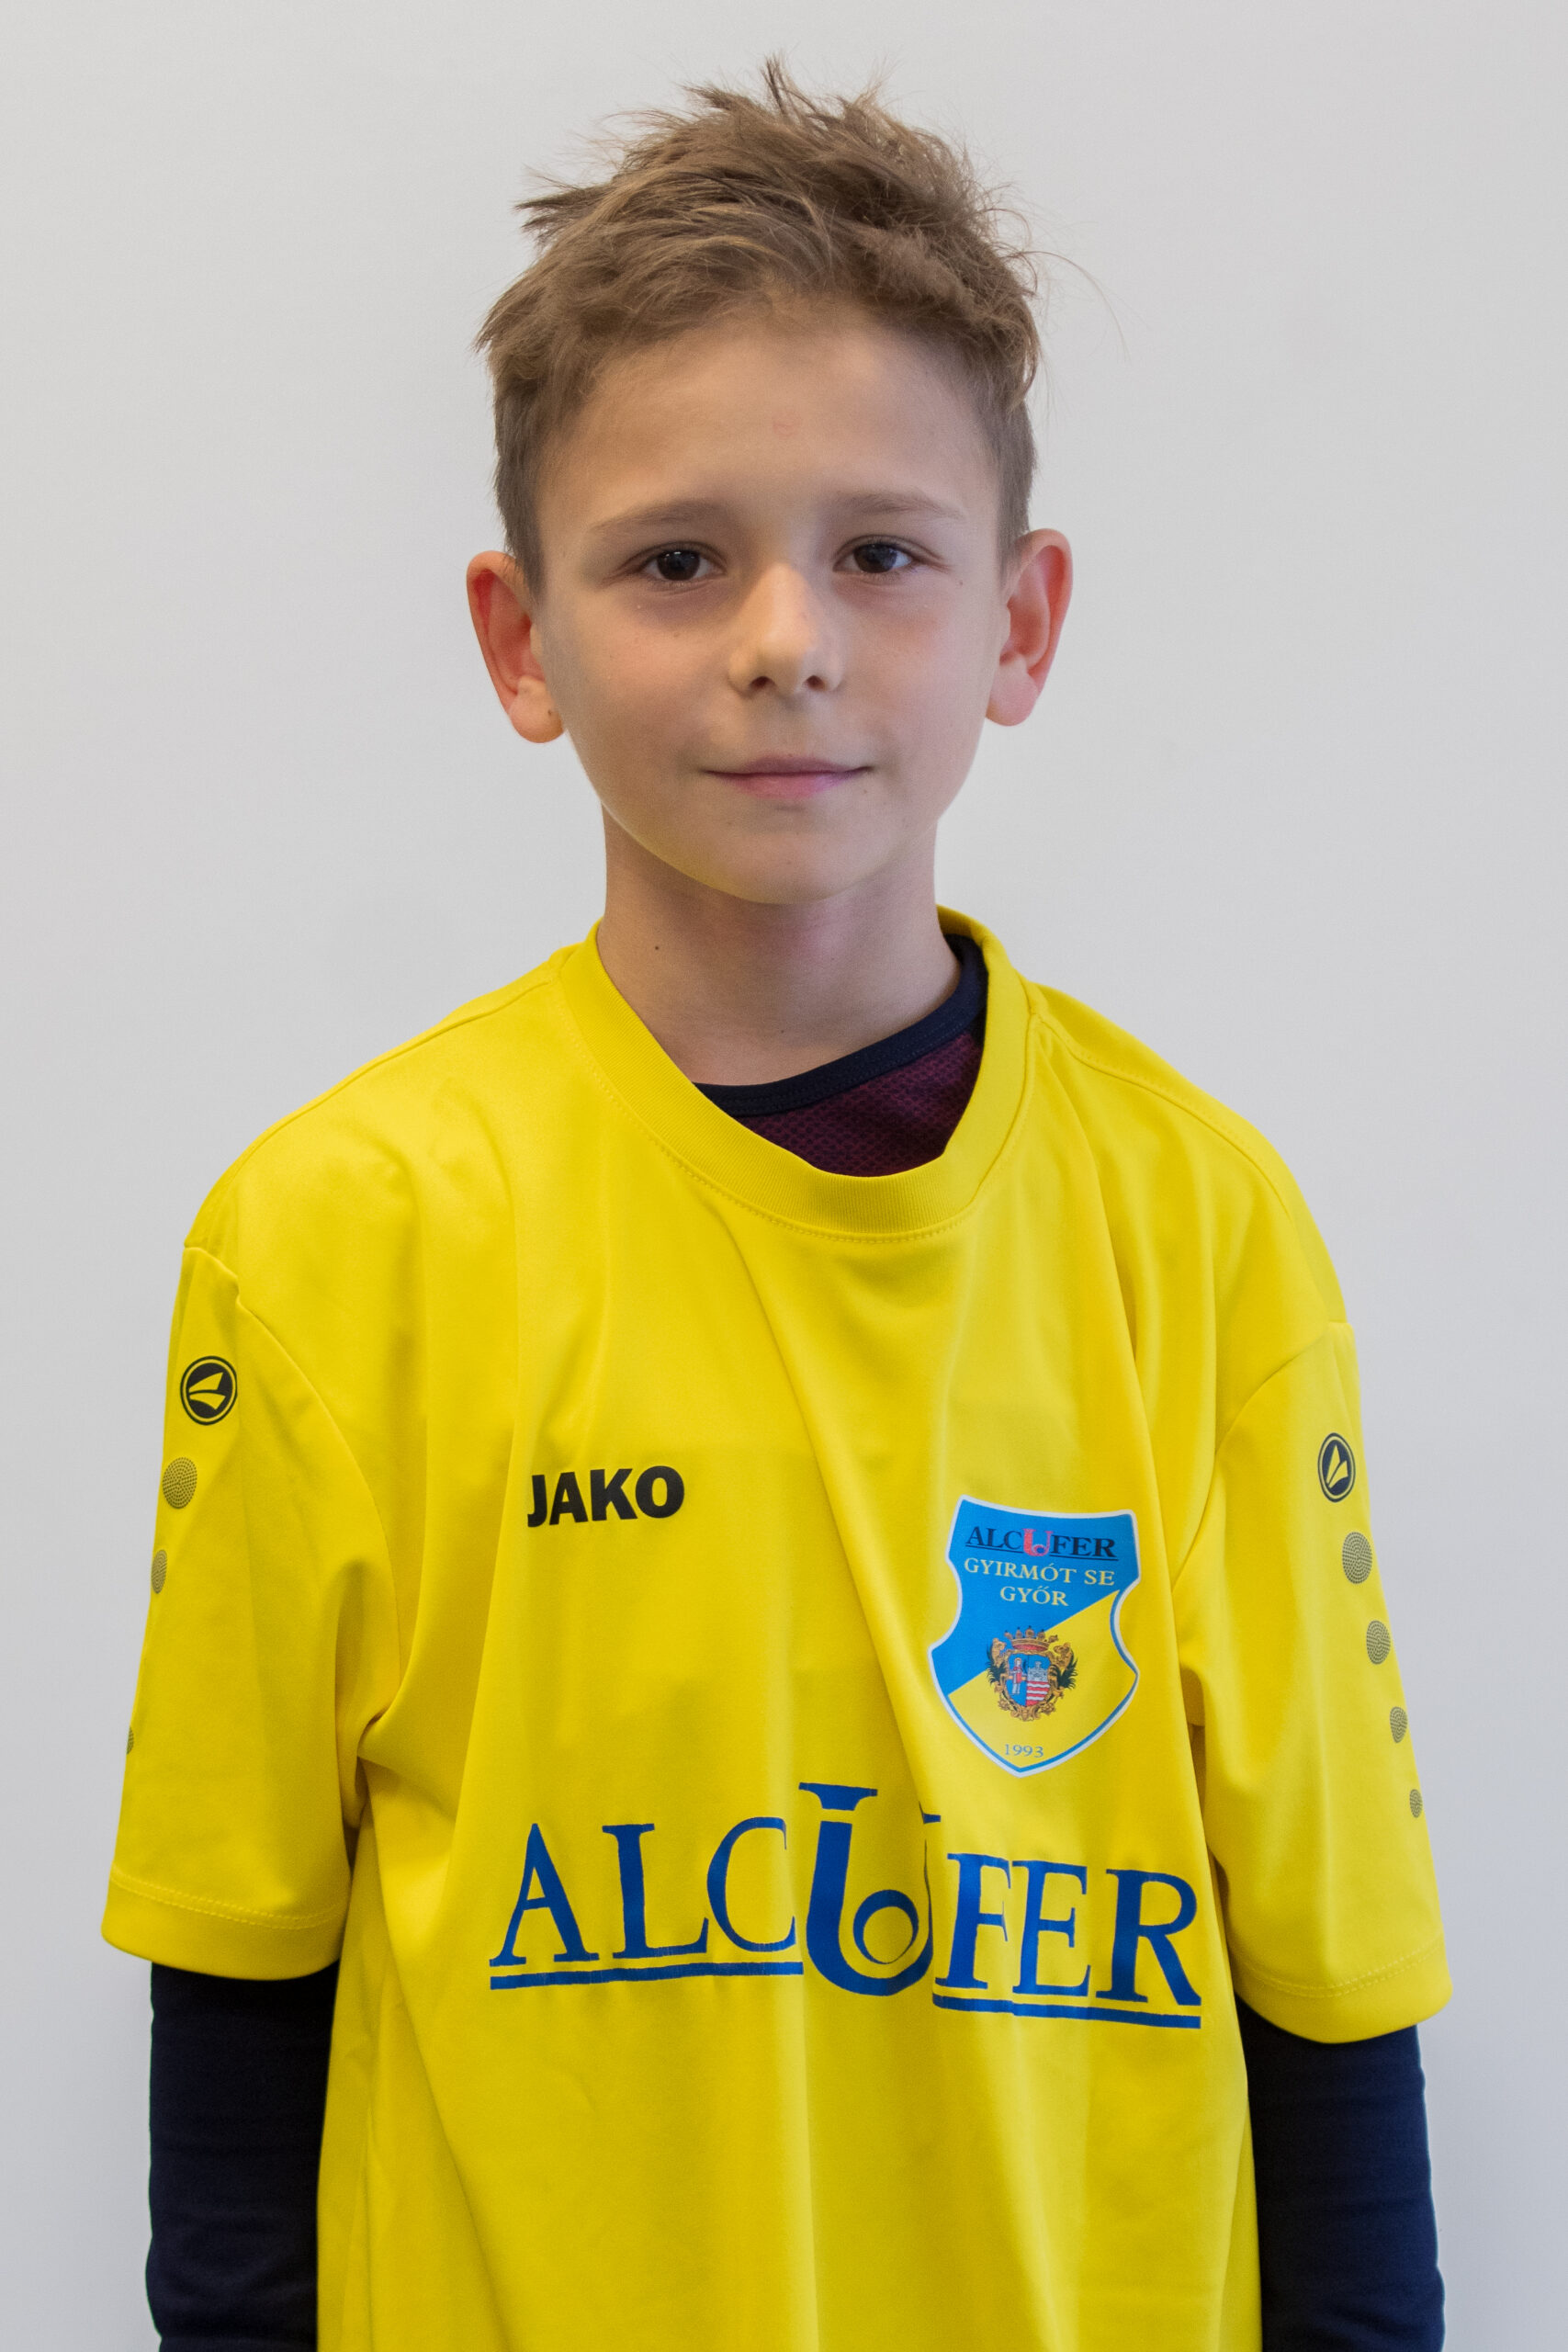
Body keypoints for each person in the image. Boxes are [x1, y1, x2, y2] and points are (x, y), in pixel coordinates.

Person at [105, 62, 1448, 2352]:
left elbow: (1326, 2014)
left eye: (880, 554)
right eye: (673, 558)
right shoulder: (337, 1232)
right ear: (518, 639)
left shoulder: (1196, 1223)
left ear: (1017, 621)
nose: (781, 637)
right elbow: (241, 2023)